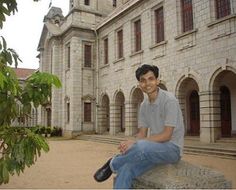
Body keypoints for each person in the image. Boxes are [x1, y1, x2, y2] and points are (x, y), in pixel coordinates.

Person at [94, 64, 185, 189]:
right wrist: (130, 143)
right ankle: (117, 165)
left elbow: (167, 135)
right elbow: (142, 134)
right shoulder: (144, 105)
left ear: (157, 80)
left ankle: (112, 163)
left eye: (151, 79)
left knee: (141, 145)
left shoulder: (170, 100)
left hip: (172, 150)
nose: (147, 83)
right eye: (143, 80)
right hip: (151, 150)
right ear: (139, 84)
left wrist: (136, 144)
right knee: (126, 168)